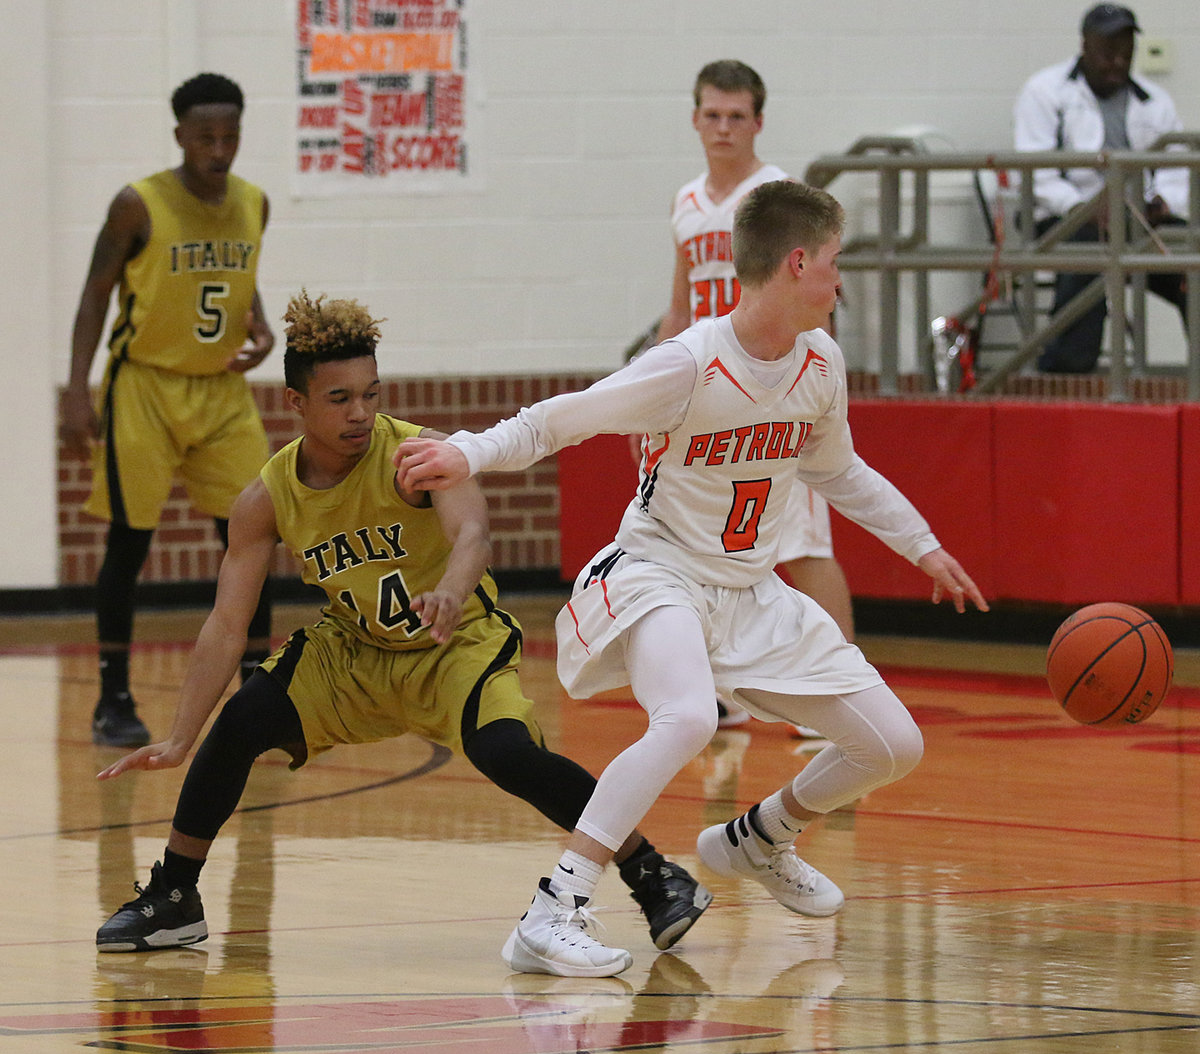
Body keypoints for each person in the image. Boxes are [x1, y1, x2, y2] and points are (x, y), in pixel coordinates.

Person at [395, 180, 989, 978]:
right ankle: (554, 908)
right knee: (684, 718)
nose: (841, 282)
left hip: (753, 591)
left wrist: (921, 545)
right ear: (797, 262)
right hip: (656, 572)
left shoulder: (820, 363)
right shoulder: (689, 364)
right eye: (836, 263)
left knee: (893, 743)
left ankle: (757, 839)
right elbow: (563, 418)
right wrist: (468, 450)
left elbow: (838, 469)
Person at [94, 291, 710, 960]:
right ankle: (175, 896)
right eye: (338, 399)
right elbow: (224, 625)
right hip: (355, 654)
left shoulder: (417, 454)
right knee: (241, 720)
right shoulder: (266, 498)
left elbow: (472, 531)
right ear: (295, 404)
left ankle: (652, 873)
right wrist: (183, 735)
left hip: (453, 646)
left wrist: (449, 590)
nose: (359, 412)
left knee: (508, 754)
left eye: (369, 393)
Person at [61, 73, 276, 748]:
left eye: (231, 135)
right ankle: (113, 698)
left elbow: (236, 277)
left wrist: (261, 325)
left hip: (219, 391)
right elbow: (97, 294)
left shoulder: (254, 202)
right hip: (145, 386)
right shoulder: (138, 204)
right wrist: (75, 389)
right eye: (206, 136)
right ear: (180, 134)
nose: (220, 148)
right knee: (130, 540)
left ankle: (256, 694)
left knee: (256, 533)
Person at [655, 60, 855, 730]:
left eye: (736, 116)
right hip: (707, 393)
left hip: (772, 387)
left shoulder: (777, 197)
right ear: (694, 118)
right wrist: (655, 394)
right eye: (712, 114)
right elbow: (679, 307)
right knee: (702, 542)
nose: (723, 127)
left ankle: (839, 689)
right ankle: (719, 690)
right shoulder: (685, 202)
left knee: (804, 542)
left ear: (758, 122)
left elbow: (815, 295)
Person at [1013, 3, 1190, 373]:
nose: (1117, 63)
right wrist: (1086, 207)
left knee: (1191, 256)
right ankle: (1068, 375)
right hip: (1062, 219)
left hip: (1137, 222)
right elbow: (1035, 176)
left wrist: (1162, 201)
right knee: (1088, 255)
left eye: (1126, 54)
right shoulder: (1045, 92)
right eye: (1108, 53)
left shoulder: (1155, 102)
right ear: (1085, 46)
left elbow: (1175, 172)